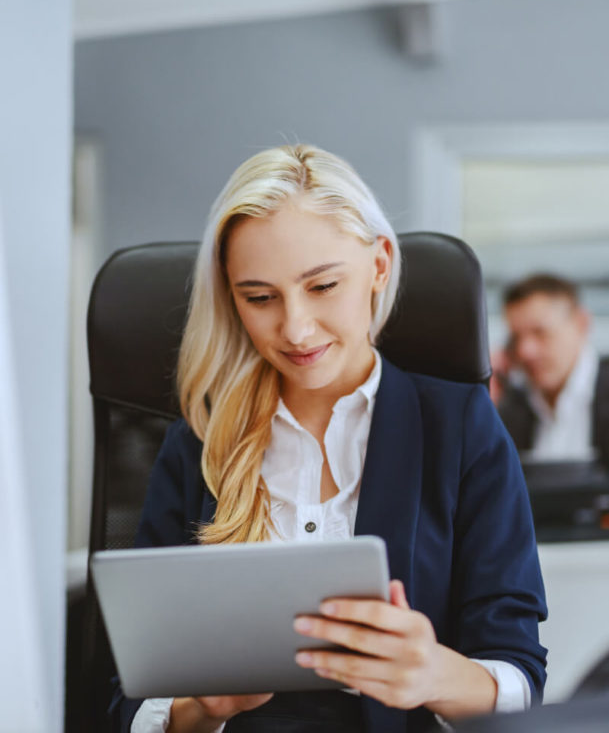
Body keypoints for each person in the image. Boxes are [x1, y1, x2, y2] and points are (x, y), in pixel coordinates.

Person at [111, 145, 547, 733]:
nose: (294, 328)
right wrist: (202, 710)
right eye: (259, 297)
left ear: (379, 265)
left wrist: (433, 674)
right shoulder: (200, 441)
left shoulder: (459, 426)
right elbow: (130, 699)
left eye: (322, 286)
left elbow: (518, 677)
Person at [491, 274, 609, 466]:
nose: (525, 351)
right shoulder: (511, 408)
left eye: (541, 333)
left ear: (581, 324)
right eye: (515, 338)